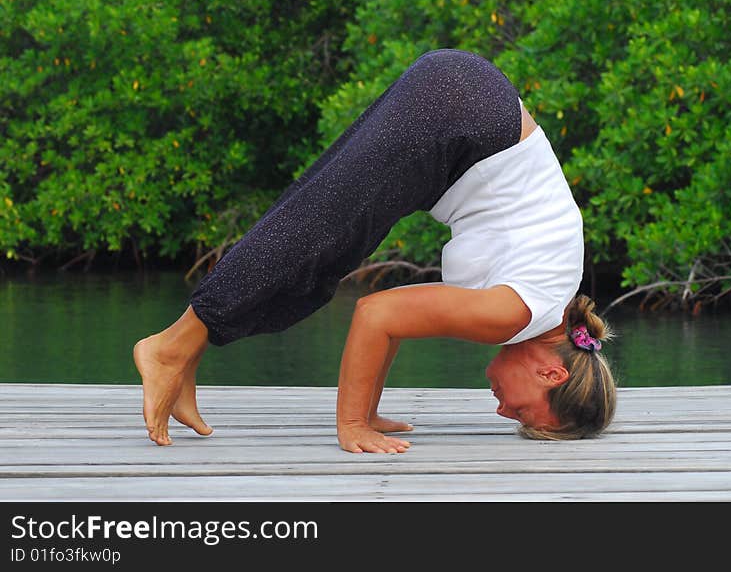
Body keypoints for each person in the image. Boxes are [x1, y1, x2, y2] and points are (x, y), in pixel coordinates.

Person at [134, 48, 617, 454]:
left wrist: (368, 411)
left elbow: (397, 324)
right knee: (313, 232)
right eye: (523, 411)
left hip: (465, 107)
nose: (502, 409)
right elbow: (376, 314)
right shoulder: (513, 313)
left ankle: (186, 349)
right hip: (461, 114)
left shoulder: (546, 302)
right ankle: (169, 349)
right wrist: (352, 427)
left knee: (322, 247)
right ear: (551, 372)